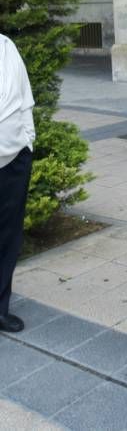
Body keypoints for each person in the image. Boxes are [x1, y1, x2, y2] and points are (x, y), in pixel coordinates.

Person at [0, 34, 36, 334]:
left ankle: (1, 308)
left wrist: (28, 142)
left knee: (8, 237)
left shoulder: (6, 47)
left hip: (14, 160)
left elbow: (24, 98)